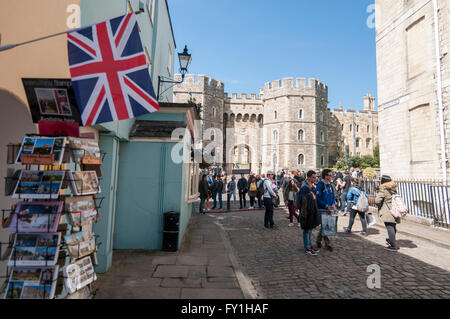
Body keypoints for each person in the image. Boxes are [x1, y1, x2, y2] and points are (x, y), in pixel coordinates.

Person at [297, 170, 321, 255]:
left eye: (316, 177)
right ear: (309, 177)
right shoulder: (305, 187)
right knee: (307, 230)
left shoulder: (312, 187)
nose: (315, 179)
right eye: (313, 177)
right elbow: (301, 201)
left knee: (310, 230)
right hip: (306, 212)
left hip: (312, 211)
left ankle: (310, 245)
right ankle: (307, 247)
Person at [375, 175, 400, 252]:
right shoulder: (393, 188)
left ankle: (393, 245)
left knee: (389, 227)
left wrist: (380, 206)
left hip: (387, 210)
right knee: (393, 226)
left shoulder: (384, 189)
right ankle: (391, 240)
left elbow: (377, 200)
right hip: (394, 209)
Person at [315, 169, 336, 251]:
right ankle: (328, 243)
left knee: (324, 226)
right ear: (326, 176)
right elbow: (318, 198)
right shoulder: (320, 185)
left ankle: (318, 240)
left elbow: (332, 196)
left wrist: (333, 204)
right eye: (330, 175)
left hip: (329, 209)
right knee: (325, 226)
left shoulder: (330, 185)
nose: (331, 177)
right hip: (322, 209)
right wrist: (326, 205)